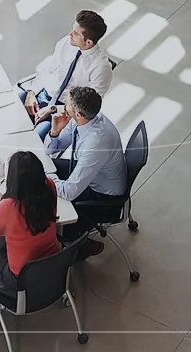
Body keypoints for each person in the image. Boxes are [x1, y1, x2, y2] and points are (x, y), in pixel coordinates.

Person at [45, 86, 126, 256]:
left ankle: (78, 246)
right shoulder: (85, 119)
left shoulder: (96, 143)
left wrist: (45, 177)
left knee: (48, 195)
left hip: (103, 195)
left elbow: (69, 192)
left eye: (67, 102)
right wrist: (55, 131)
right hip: (93, 174)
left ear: (78, 114)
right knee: (47, 166)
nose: (64, 103)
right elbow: (50, 150)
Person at [0, 151, 61, 290]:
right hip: (53, 262)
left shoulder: (8, 206)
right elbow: (31, 203)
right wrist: (5, 199)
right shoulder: (50, 186)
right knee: (2, 241)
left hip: (20, 278)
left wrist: (5, 202)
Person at [21, 10, 114, 138]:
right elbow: (49, 69)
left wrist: (53, 109)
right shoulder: (67, 42)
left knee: (33, 138)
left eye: (76, 33)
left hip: (63, 111)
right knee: (8, 109)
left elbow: (87, 107)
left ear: (88, 42)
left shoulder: (101, 68)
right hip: (43, 93)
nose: (70, 34)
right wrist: (31, 92)